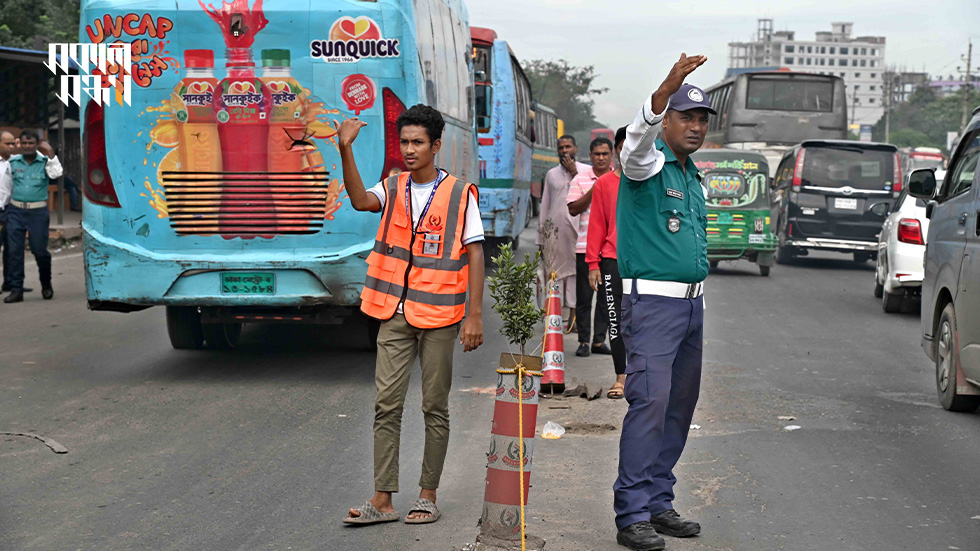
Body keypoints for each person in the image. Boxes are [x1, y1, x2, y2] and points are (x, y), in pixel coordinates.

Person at [336, 104, 485, 526]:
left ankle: (427, 494)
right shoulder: (393, 185)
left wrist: (474, 316)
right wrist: (345, 150)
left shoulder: (460, 193)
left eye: (418, 142)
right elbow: (361, 200)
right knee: (386, 406)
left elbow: (475, 254)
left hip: (440, 317)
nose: (409, 149)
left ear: (436, 145)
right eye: (404, 142)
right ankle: (382, 500)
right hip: (393, 313)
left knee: (434, 406)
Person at [613, 54, 714, 551]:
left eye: (700, 119)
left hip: (691, 308)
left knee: (678, 406)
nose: (695, 126)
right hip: (652, 305)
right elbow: (635, 143)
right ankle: (631, 513)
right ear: (665, 121)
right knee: (650, 405)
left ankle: (657, 501)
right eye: (685, 116)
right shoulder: (645, 165)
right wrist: (666, 88)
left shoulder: (690, 174)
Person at [586, 126, 628, 398]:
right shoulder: (604, 184)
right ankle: (621, 377)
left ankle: (644, 376)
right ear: (617, 151)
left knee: (645, 322)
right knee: (616, 322)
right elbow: (597, 225)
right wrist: (593, 264)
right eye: (624, 147)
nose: (629, 152)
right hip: (612, 261)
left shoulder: (653, 180)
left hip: (647, 265)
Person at [566, 137, 614, 357]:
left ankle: (598, 341)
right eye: (597, 154)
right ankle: (584, 341)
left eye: (605, 154)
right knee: (585, 297)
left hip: (612, 249)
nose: (601, 158)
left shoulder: (620, 179)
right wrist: (595, 189)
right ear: (590, 155)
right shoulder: (580, 179)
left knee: (607, 298)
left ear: (612, 154)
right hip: (585, 247)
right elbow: (573, 209)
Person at [4, 130, 63, 303]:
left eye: (31, 143)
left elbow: (56, 174)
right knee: (14, 252)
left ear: (37, 144)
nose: (28, 146)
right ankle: (16, 290)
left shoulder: (46, 162)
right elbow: (6, 187)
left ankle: (46, 284)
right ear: (20, 144)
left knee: (39, 251)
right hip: (15, 211)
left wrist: (50, 152)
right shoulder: (13, 162)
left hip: (38, 212)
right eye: (25, 143)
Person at [537, 135, 584, 327]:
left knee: (574, 275)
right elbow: (545, 206)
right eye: (561, 147)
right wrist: (541, 239)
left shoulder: (585, 172)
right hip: (554, 234)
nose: (564, 151)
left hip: (577, 233)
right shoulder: (551, 175)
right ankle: (553, 316)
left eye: (568, 147)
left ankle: (573, 318)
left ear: (576, 148)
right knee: (553, 274)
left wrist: (575, 173)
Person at [0, 130, 33, 294]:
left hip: (11, 211)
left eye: (13, 143)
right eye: (8, 143)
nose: (12, 146)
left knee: (13, 249)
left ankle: (11, 283)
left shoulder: (17, 162)